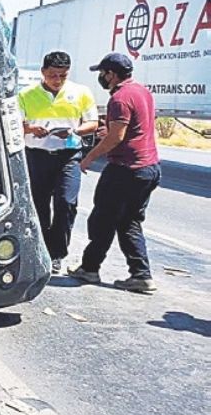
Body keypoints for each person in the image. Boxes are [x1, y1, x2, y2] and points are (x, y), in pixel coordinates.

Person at [68, 53, 160, 293]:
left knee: (102, 219)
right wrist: (109, 133)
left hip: (125, 170)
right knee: (129, 221)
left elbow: (117, 137)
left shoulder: (119, 98)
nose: (101, 77)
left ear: (111, 74)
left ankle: (90, 268)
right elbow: (130, 129)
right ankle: (141, 275)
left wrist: (89, 157)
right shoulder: (142, 91)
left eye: (102, 73)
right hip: (148, 168)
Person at [18, 51, 98, 274]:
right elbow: (14, 124)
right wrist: (31, 129)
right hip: (37, 156)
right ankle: (41, 249)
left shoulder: (81, 92)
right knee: (39, 205)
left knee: (66, 203)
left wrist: (74, 130)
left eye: (62, 75)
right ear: (43, 72)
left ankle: (57, 253)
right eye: (53, 75)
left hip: (69, 155)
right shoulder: (26, 94)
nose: (57, 80)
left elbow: (92, 122)